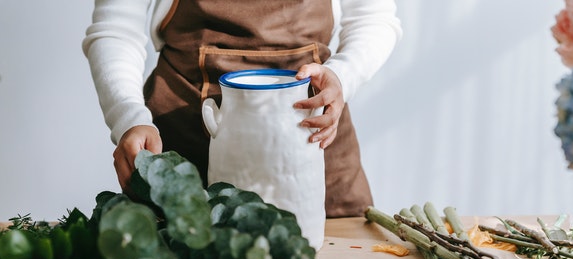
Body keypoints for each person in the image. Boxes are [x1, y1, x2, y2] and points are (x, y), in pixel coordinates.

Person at [83, 0, 402, 217]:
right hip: (185, 143)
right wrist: (128, 119)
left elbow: (375, 19)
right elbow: (116, 31)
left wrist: (342, 76)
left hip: (316, 141)